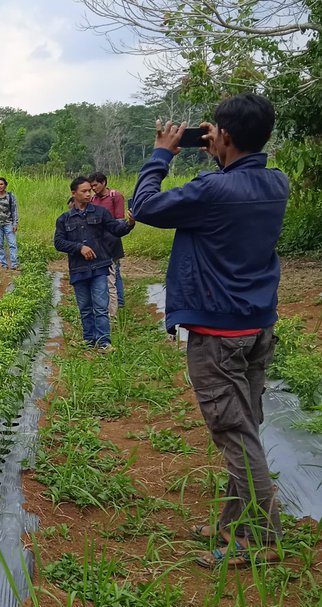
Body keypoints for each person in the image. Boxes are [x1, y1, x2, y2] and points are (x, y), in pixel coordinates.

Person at [131, 94, 289, 567]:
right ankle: (232, 525)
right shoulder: (275, 183)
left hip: (218, 332)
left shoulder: (213, 191)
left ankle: (260, 542)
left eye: (215, 131)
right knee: (245, 426)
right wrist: (222, 153)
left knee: (234, 433)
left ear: (225, 136)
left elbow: (146, 206)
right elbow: (231, 187)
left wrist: (162, 153)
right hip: (257, 325)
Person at [54, 177, 134, 351]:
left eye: (89, 190)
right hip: (78, 268)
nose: (88, 194)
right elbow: (58, 243)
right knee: (85, 307)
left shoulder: (100, 213)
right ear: (73, 193)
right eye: (84, 191)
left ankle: (104, 342)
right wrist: (79, 247)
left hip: (99, 266)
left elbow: (115, 229)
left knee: (100, 305)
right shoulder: (64, 219)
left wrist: (129, 223)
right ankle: (89, 340)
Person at [90, 172, 133, 315]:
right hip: (99, 240)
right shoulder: (93, 199)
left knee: (115, 272)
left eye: (95, 185)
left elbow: (119, 220)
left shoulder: (115, 196)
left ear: (104, 183)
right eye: (92, 186)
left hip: (112, 238)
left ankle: (119, 303)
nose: (93, 188)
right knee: (111, 273)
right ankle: (115, 302)